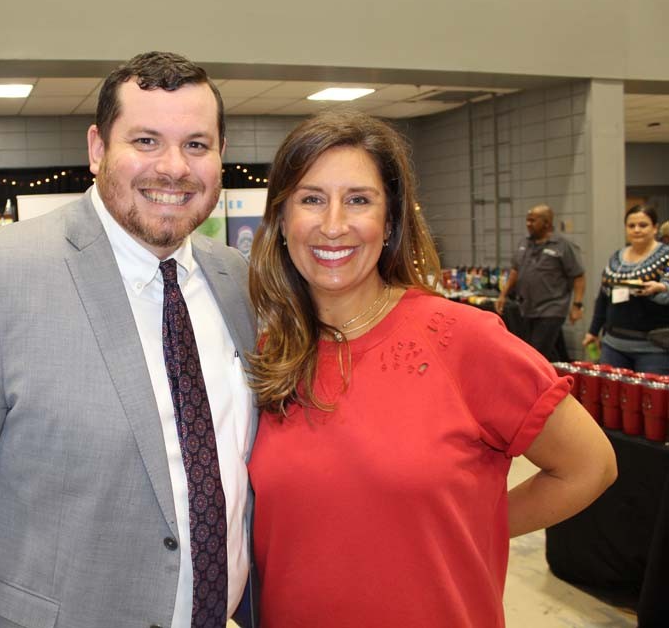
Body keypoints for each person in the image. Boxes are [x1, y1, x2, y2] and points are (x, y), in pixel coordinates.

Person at [0, 51, 257, 628]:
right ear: (98, 148)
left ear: (221, 153)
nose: (174, 167)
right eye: (146, 141)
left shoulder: (235, 279)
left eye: (196, 144)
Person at [245, 109, 616, 628]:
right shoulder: (269, 354)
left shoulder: (464, 339)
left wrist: (478, 525)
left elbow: (589, 466)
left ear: (390, 221)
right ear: (282, 221)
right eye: (311, 199)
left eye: (359, 200)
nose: (333, 224)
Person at [583, 205, 669, 373]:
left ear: (655, 228)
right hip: (613, 345)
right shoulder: (617, 257)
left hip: (653, 348)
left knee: (646, 391)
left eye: (643, 225)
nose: (637, 230)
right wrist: (593, 331)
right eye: (631, 226)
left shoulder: (666, 256)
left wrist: (660, 288)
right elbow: (603, 297)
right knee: (609, 389)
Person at [495, 204, 585, 361]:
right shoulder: (524, 243)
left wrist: (577, 305)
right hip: (527, 307)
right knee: (546, 352)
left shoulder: (562, 245)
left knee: (535, 353)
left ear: (547, 222)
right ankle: (559, 372)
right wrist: (503, 295)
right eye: (527, 220)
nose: (528, 224)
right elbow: (515, 271)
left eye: (533, 220)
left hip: (551, 308)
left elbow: (578, 276)